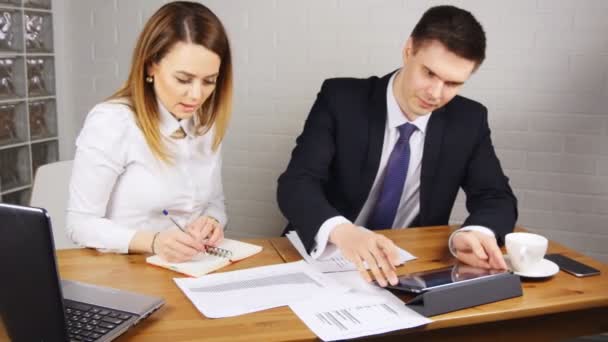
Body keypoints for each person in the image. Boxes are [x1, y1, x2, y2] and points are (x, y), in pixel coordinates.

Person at [277, 5, 517, 287]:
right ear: (408, 50)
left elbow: (496, 196)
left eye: (453, 83)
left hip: (407, 268)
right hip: (326, 256)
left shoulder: (469, 120)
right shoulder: (341, 99)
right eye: (429, 73)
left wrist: (476, 232)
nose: (435, 94)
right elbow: (297, 183)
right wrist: (342, 230)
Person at [66, 1, 233, 263]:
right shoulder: (112, 121)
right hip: (125, 270)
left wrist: (211, 220)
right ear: (150, 66)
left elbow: (215, 202)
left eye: (209, 81)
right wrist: (153, 242)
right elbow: (80, 223)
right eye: (183, 79)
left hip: (192, 269)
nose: (196, 95)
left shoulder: (205, 124)